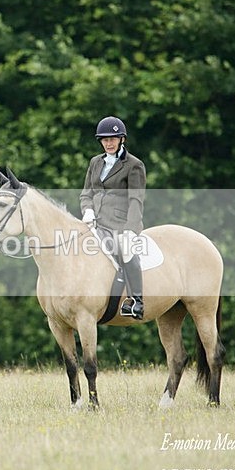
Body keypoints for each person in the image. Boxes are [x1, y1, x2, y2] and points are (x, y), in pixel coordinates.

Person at [80, 116, 146, 319]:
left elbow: (136, 200)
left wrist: (130, 228)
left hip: (120, 224)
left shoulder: (134, 165)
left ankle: (136, 301)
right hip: (94, 222)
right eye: (105, 140)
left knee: (126, 248)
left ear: (121, 139)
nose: (108, 143)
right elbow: (86, 194)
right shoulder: (95, 162)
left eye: (113, 139)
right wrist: (88, 210)